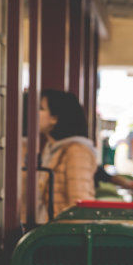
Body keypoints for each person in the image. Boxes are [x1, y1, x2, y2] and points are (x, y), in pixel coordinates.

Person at [37, 90, 98, 221]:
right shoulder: (52, 148)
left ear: (54, 118)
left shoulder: (77, 151)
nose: (35, 113)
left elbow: (80, 205)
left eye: (41, 109)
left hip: (60, 230)